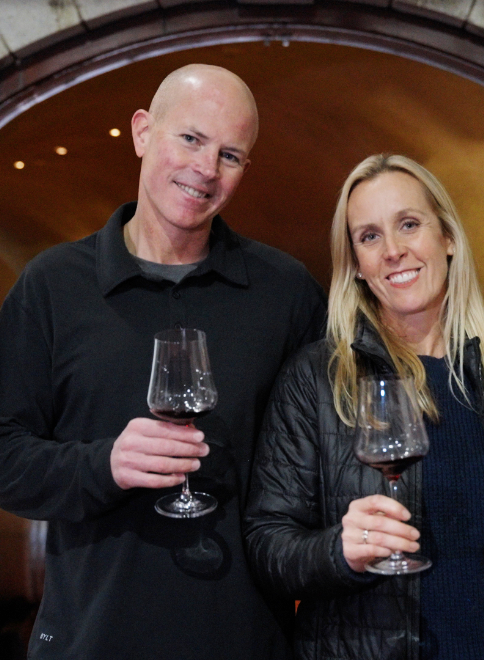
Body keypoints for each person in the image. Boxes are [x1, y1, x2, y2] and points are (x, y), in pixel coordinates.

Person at [0, 64, 326, 659]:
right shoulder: (52, 286)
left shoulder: (286, 292)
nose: (206, 168)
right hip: (94, 639)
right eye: (191, 139)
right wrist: (105, 464)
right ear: (143, 132)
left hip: (245, 642)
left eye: (230, 155)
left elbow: (322, 464)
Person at [244, 154, 484, 659]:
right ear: (356, 265)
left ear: (448, 237)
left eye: (408, 224)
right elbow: (266, 543)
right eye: (369, 236)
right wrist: (337, 551)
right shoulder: (316, 380)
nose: (394, 251)